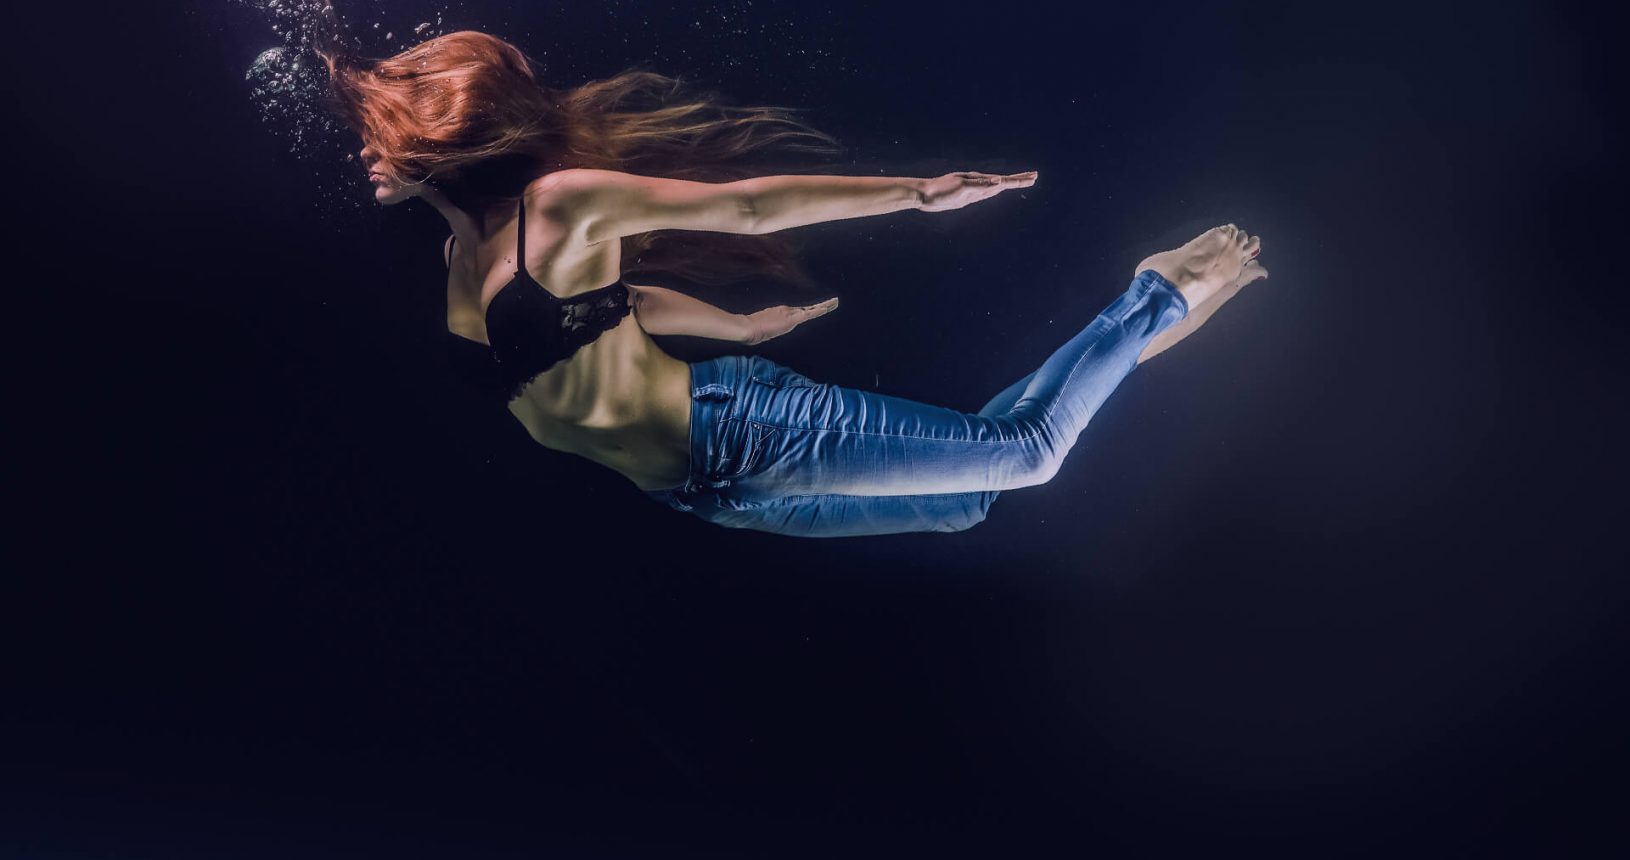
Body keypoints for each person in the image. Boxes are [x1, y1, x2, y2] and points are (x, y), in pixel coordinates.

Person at [318, 30, 1268, 538]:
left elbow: (746, 207)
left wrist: (918, 194)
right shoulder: (459, 259)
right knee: (968, 500)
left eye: (378, 130)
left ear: (441, 133)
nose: (364, 150)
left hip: (744, 429)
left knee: (1026, 457)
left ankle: (1157, 294)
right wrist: (737, 326)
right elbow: (614, 309)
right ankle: (1138, 338)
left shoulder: (558, 206)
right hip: (705, 492)